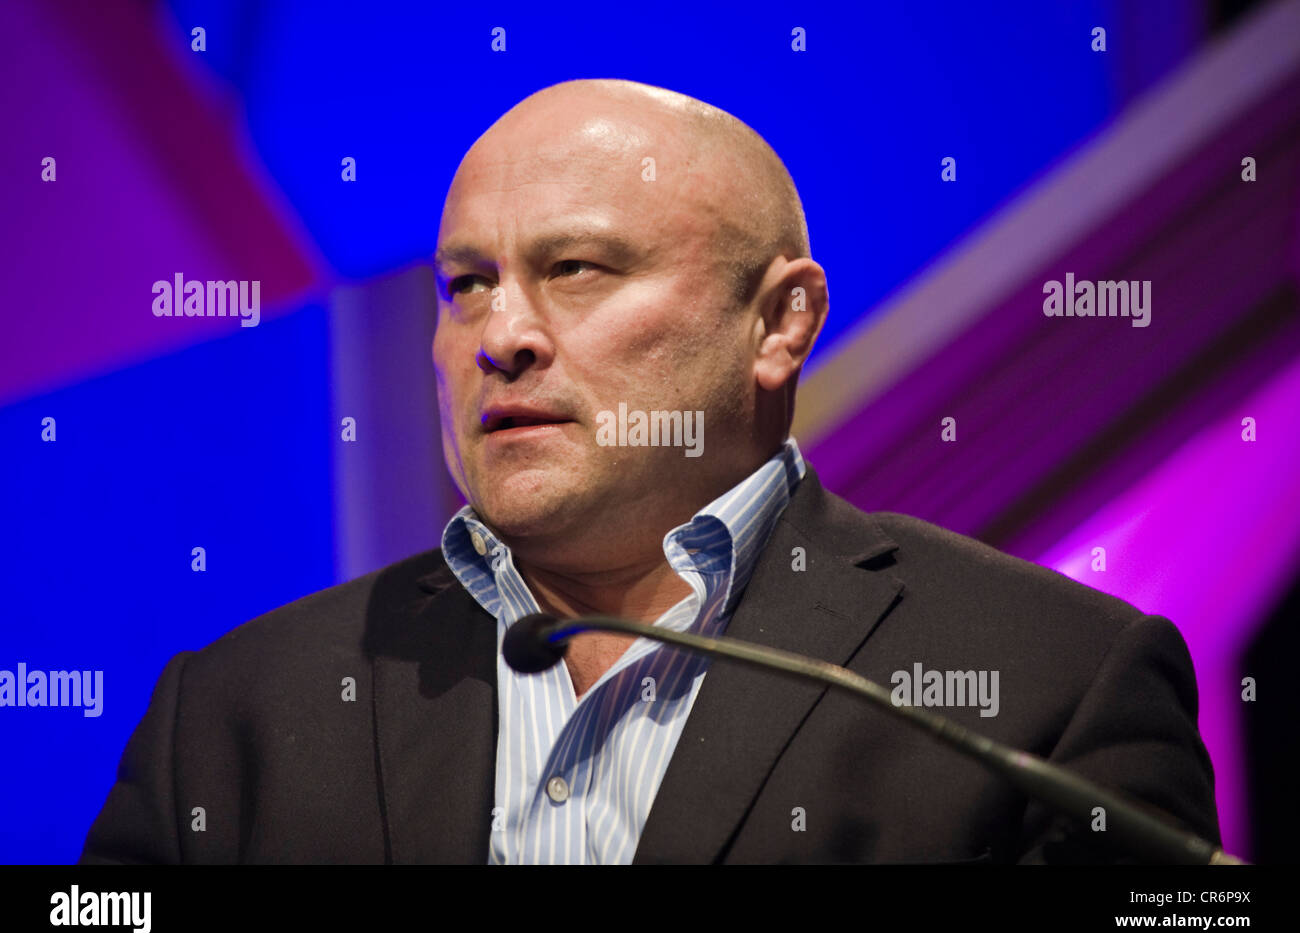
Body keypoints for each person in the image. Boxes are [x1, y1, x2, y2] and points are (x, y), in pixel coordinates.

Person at [81, 78, 1220, 864]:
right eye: (466, 283)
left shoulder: (1046, 688)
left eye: (575, 269)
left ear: (778, 323)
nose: (500, 335)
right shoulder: (235, 710)